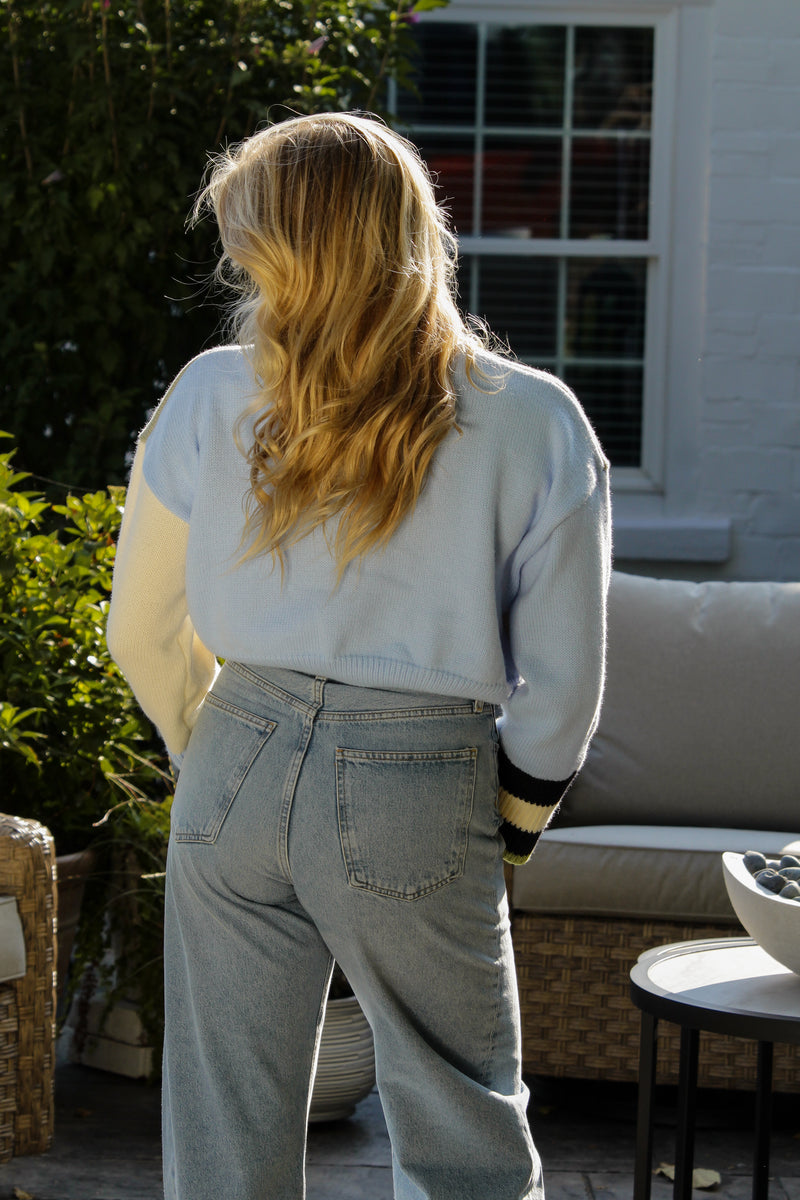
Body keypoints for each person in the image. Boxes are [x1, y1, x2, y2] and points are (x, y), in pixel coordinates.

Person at [107, 111, 611, 1200]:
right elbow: (561, 691)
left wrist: (219, 750)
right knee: (459, 1131)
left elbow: (138, 633)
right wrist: (503, 834)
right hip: (417, 779)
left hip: (232, 762)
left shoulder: (208, 393)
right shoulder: (534, 422)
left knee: (221, 1125)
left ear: (273, 247)